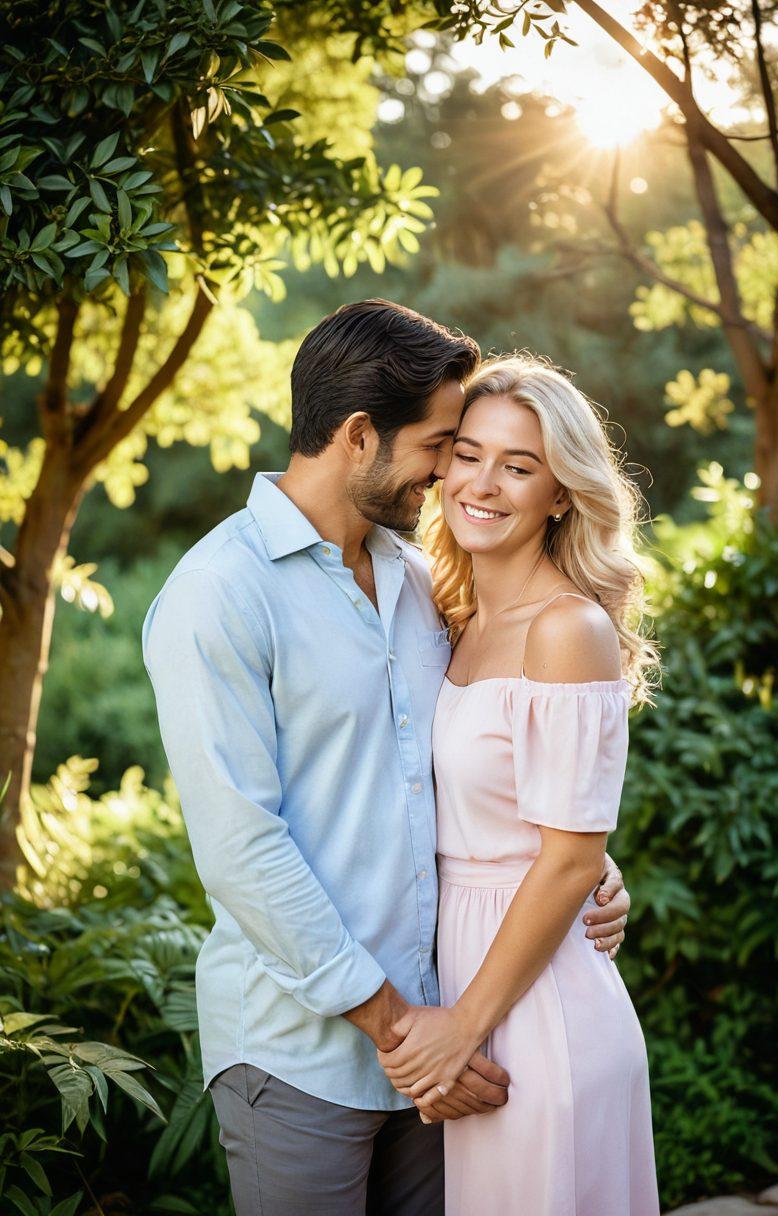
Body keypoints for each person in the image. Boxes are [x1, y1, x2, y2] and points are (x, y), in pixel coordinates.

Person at [142, 302, 633, 1215]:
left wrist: (583, 863)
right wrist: (404, 1029)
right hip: (307, 1052)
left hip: (445, 1049)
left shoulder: (417, 581)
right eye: (444, 447)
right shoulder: (219, 593)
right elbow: (242, 848)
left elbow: (474, 766)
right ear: (361, 435)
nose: (450, 475)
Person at [378, 355, 660, 1215]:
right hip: (462, 976)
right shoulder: (451, 617)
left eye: (520, 466)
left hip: (540, 1011)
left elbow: (570, 860)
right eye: (468, 454)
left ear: (562, 493)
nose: (483, 483)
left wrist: (461, 1029)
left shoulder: (567, 628)